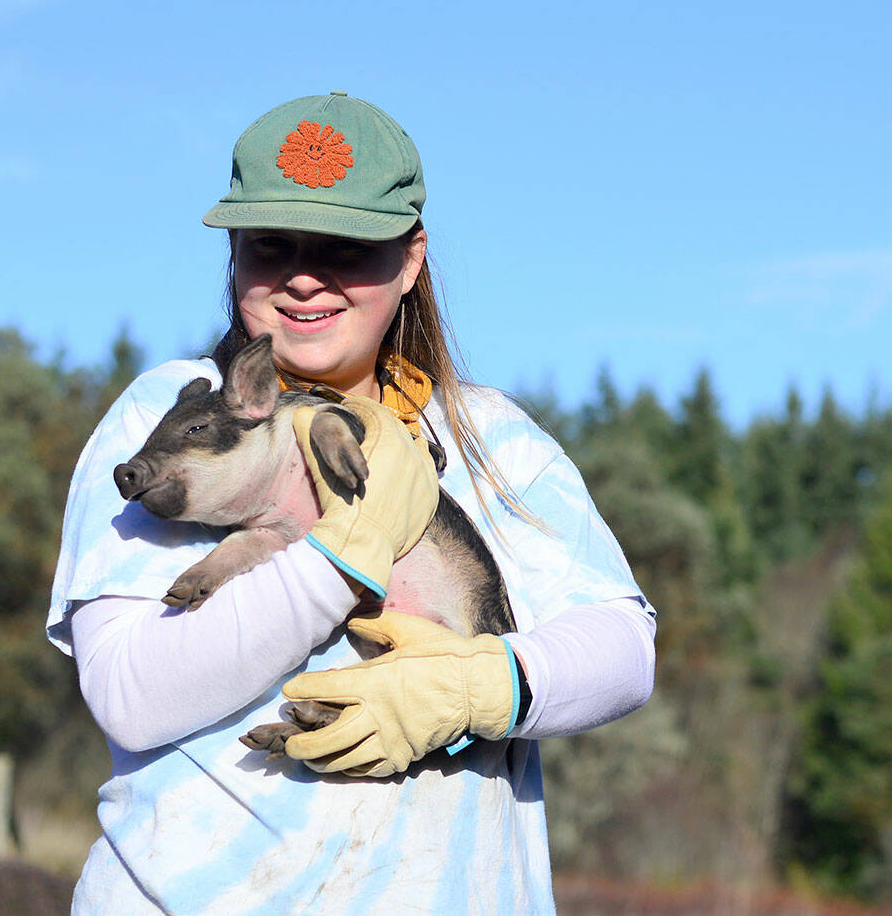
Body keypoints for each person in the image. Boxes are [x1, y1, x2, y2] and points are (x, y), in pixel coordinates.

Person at [47, 92, 656, 913]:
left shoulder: (491, 436)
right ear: (234, 257)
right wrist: (342, 553)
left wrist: (480, 688)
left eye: (345, 246)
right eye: (271, 245)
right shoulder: (166, 423)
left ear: (410, 259)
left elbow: (623, 647)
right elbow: (131, 693)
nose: (304, 274)